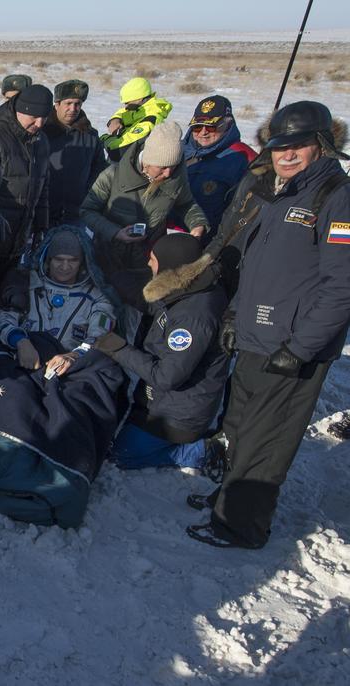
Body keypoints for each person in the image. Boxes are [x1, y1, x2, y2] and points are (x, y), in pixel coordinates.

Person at [187, 101, 350, 549]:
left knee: (267, 439)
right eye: (280, 147)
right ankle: (228, 500)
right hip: (259, 334)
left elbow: (342, 288)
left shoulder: (335, 197)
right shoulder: (280, 193)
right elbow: (256, 265)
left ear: (322, 145)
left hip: (295, 345)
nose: (288, 155)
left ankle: (241, 526)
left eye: (299, 146)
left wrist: (301, 347)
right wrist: (237, 313)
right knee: (239, 424)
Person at [93, 233, 228, 473]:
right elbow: (145, 298)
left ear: (171, 267)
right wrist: (112, 271)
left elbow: (168, 377)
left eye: (153, 259)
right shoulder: (188, 287)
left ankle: (200, 452)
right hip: (158, 401)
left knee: (120, 457)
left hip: (179, 415)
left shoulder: (194, 317)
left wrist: (120, 349)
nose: (148, 264)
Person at [81, 121, 208, 309]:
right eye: (162, 167)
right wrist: (115, 232)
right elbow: (86, 211)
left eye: (173, 166)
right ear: (147, 161)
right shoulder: (112, 174)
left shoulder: (176, 178)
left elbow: (187, 204)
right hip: (108, 259)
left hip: (149, 262)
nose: (168, 173)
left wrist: (198, 224)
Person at [0, 226, 116, 376]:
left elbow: (101, 336)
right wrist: (20, 341)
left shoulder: (97, 297)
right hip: (26, 363)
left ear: (82, 262)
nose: (65, 267)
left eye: (73, 260)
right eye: (58, 259)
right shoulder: (26, 284)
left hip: (70, 370)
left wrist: (74, 356)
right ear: (48, 259)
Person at [0, 84, 52, 302]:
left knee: (3, 297)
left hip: (19, 237)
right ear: (20, 110)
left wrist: (41, 224)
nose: (40, 123)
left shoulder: (41, 140)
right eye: (34, 117)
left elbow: (43, 185)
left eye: (44, 117)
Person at [182, 95, 258, 233]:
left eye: (211, 127)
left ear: (228, 123)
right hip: (168, 239)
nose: (203, 133)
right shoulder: (176, 151)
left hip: (209, 241)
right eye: (197, 127)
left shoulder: (244, 158)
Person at [43, 79, 107, 225]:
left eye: (77, 104)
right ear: (57, 104)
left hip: (77, 213)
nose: (73, 109)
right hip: (43, 213)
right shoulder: (41, 132)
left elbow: (98, 170)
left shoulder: (90, 135)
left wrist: (88, 196)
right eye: (68, 103)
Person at [102, 77, 171, 160]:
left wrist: (105, 139)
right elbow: (122, 112)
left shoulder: (150, 121)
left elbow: (118, 150)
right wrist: (115, 119)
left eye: (127, 103)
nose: (126, 107)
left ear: (140, 99)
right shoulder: (141, 110)